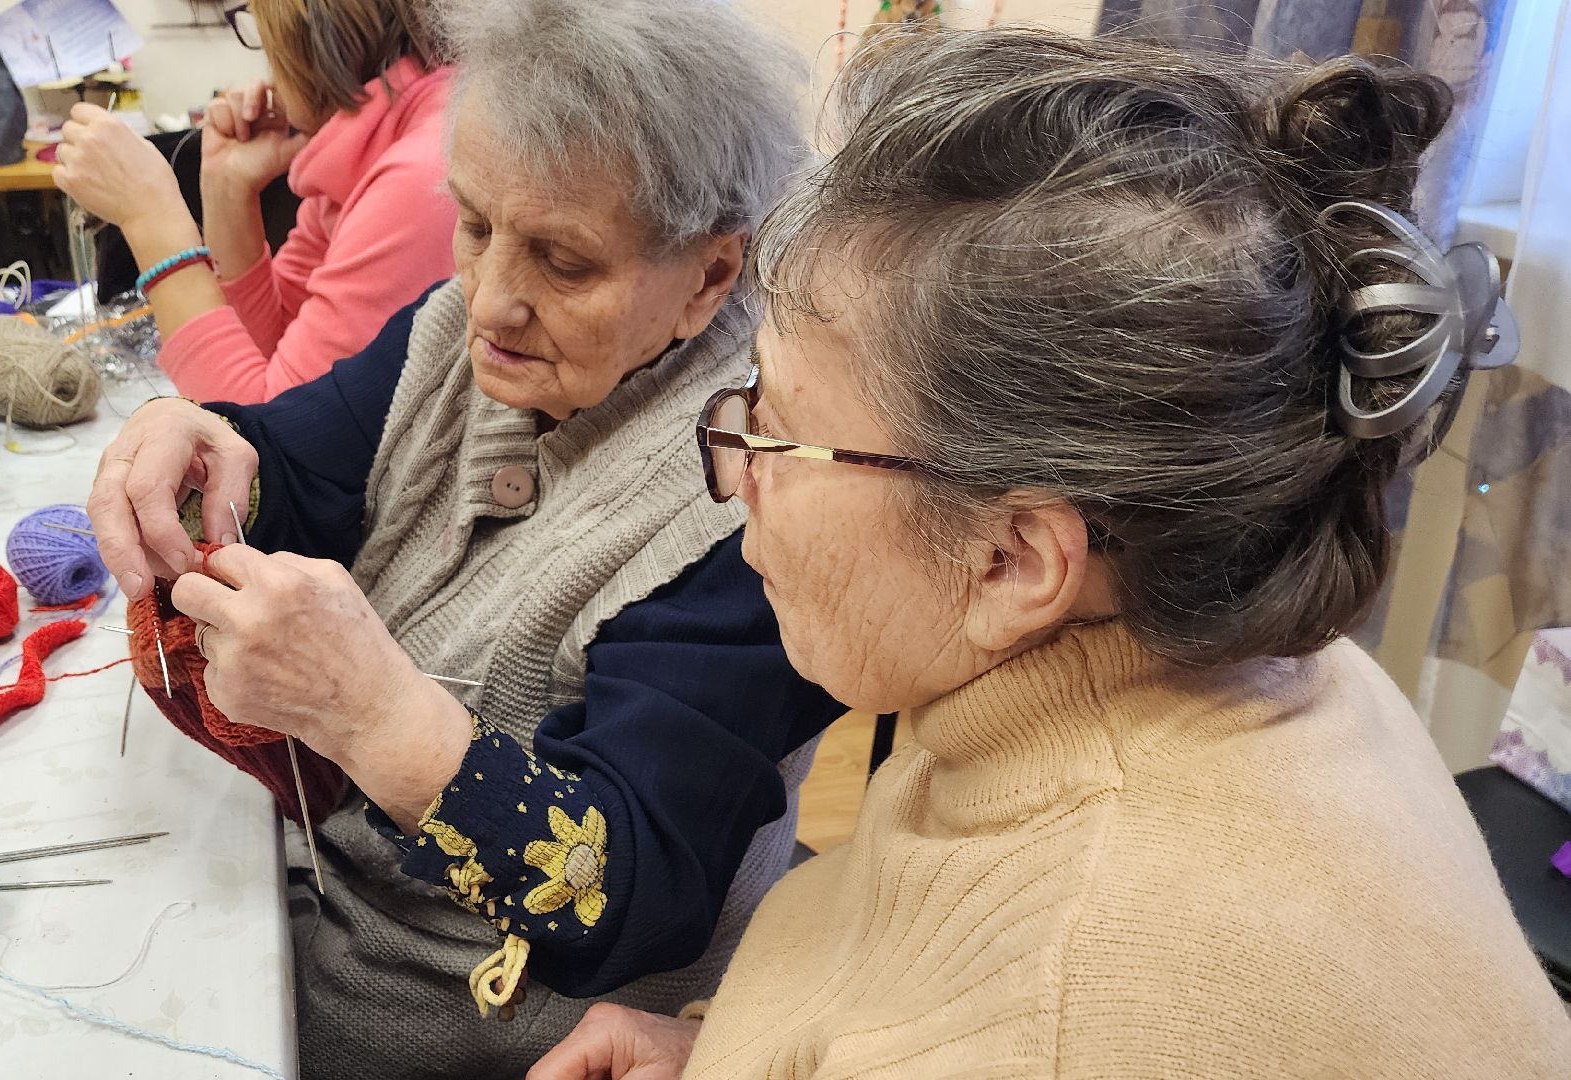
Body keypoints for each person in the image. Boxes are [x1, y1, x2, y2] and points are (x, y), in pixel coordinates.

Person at [532, 27, 1571, 1080]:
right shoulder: (1229, 658)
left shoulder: (1068, 1014)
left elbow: (1041, 1019)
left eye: (778, 430)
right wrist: (721, 1050)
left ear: (1014, 561)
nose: (736, 469)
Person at [84, 1, 839, 1076]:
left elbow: (630, 887)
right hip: (335, 900)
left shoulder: (753, 498)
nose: (490, 298)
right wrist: (203, 447)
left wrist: (377, 718)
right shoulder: (452, 333)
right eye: (475, 224)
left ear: (713, 275)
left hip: (523, 1029)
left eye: (563, 264)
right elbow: (297, 466)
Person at [53, 0, 456, 403]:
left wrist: (150, 217)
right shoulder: (374, 147)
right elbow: (272, 346)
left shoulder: (419, 179)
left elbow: (274, 430)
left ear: (307, 34)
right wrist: (227, 188)